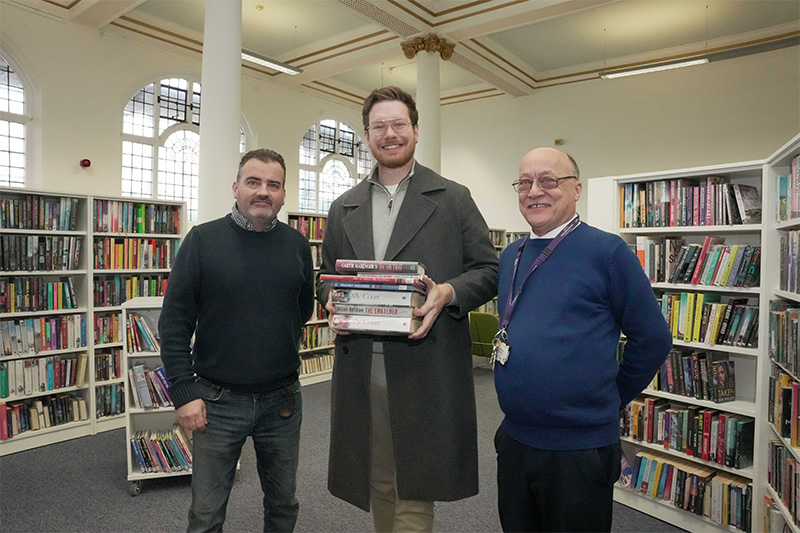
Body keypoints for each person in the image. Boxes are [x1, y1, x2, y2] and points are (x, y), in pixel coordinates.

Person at [317, 86, 498, 532]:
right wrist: (329, 300)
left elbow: (488, 269)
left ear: (416, 131)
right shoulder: (343, 208)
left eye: (399, 124)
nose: (390, 133)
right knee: (378, 477)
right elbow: (325, 276)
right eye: (379, 126)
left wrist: (449, 292)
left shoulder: (453, 199)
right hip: (362, 365)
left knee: (415, 482)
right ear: (366, 136)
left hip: (426, 362)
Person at [493, 147, 673, 532]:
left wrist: (610, 395)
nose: (534, 190)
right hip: (514, 438)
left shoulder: (608, 252)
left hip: (578, 448)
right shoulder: (511, 255)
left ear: (576, 189)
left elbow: (653, 338)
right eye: (524, 182)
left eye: (548, 180)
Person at [159, 149, 314, 533]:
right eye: (254, 182)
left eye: (273, 185)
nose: (263, 192)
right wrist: (183, 390)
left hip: (282, 402)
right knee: (207, 513)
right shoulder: (201, 240)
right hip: (214, 403)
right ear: (236, 187)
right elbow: (175, 322)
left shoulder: (297, 245)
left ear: (282, 194)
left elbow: (303, 310)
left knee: (283, 505)